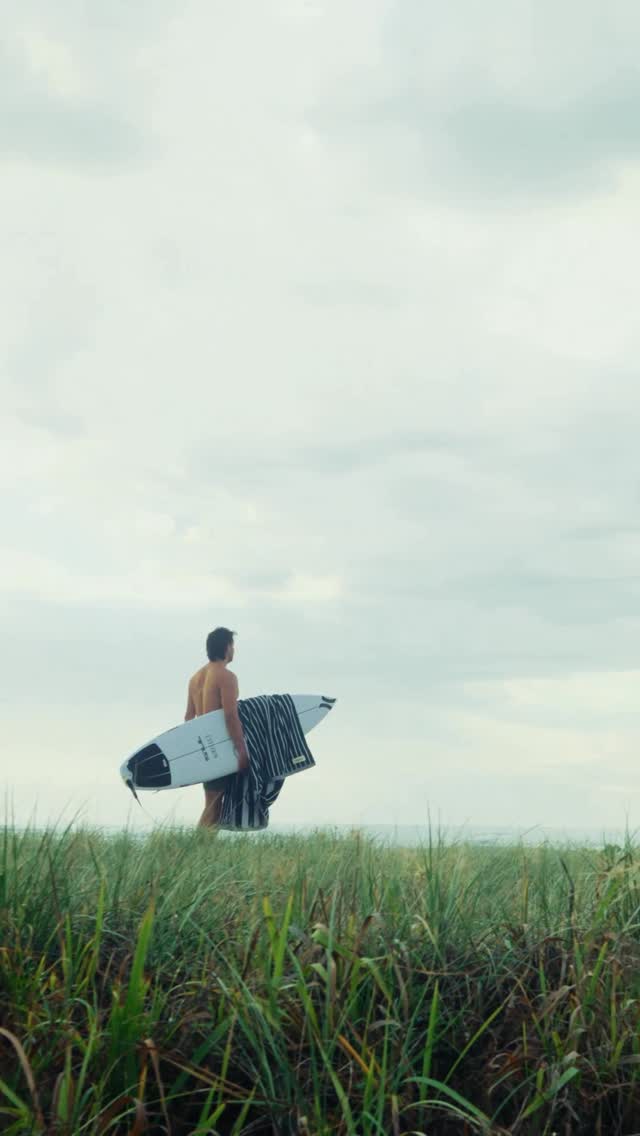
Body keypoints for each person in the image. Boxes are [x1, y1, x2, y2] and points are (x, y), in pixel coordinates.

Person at [184, 627, 251, 828]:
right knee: (214, 805)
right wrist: (241, 749)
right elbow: (230, 715)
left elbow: (189, 718)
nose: (234, 650)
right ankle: (197, 844)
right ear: (227, 647)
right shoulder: (226, 677)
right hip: (220, 746)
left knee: (214, 803)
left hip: (205, 747)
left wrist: (196, 751)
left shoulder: (195, 679)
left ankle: (204, 844)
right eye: (233, 645)